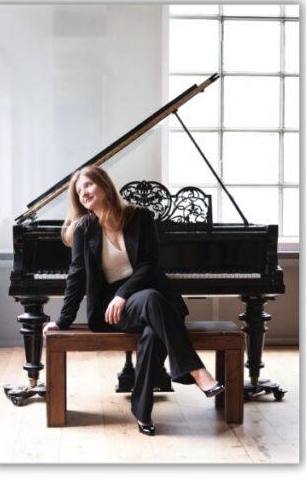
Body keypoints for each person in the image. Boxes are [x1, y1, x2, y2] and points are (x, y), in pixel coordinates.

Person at [42, 166, 225, 436]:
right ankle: (195, 371)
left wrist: (123, 294)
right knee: (151, 301)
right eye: (79, 191)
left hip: (151, 298)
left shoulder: (139, 217)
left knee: (152, 329)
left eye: (89, 186)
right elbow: (76, 277)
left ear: (105, 186)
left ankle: (142, 410)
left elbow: (151, 265)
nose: (84, 193)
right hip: (113, 310)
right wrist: (62, 321)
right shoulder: (84, 229)